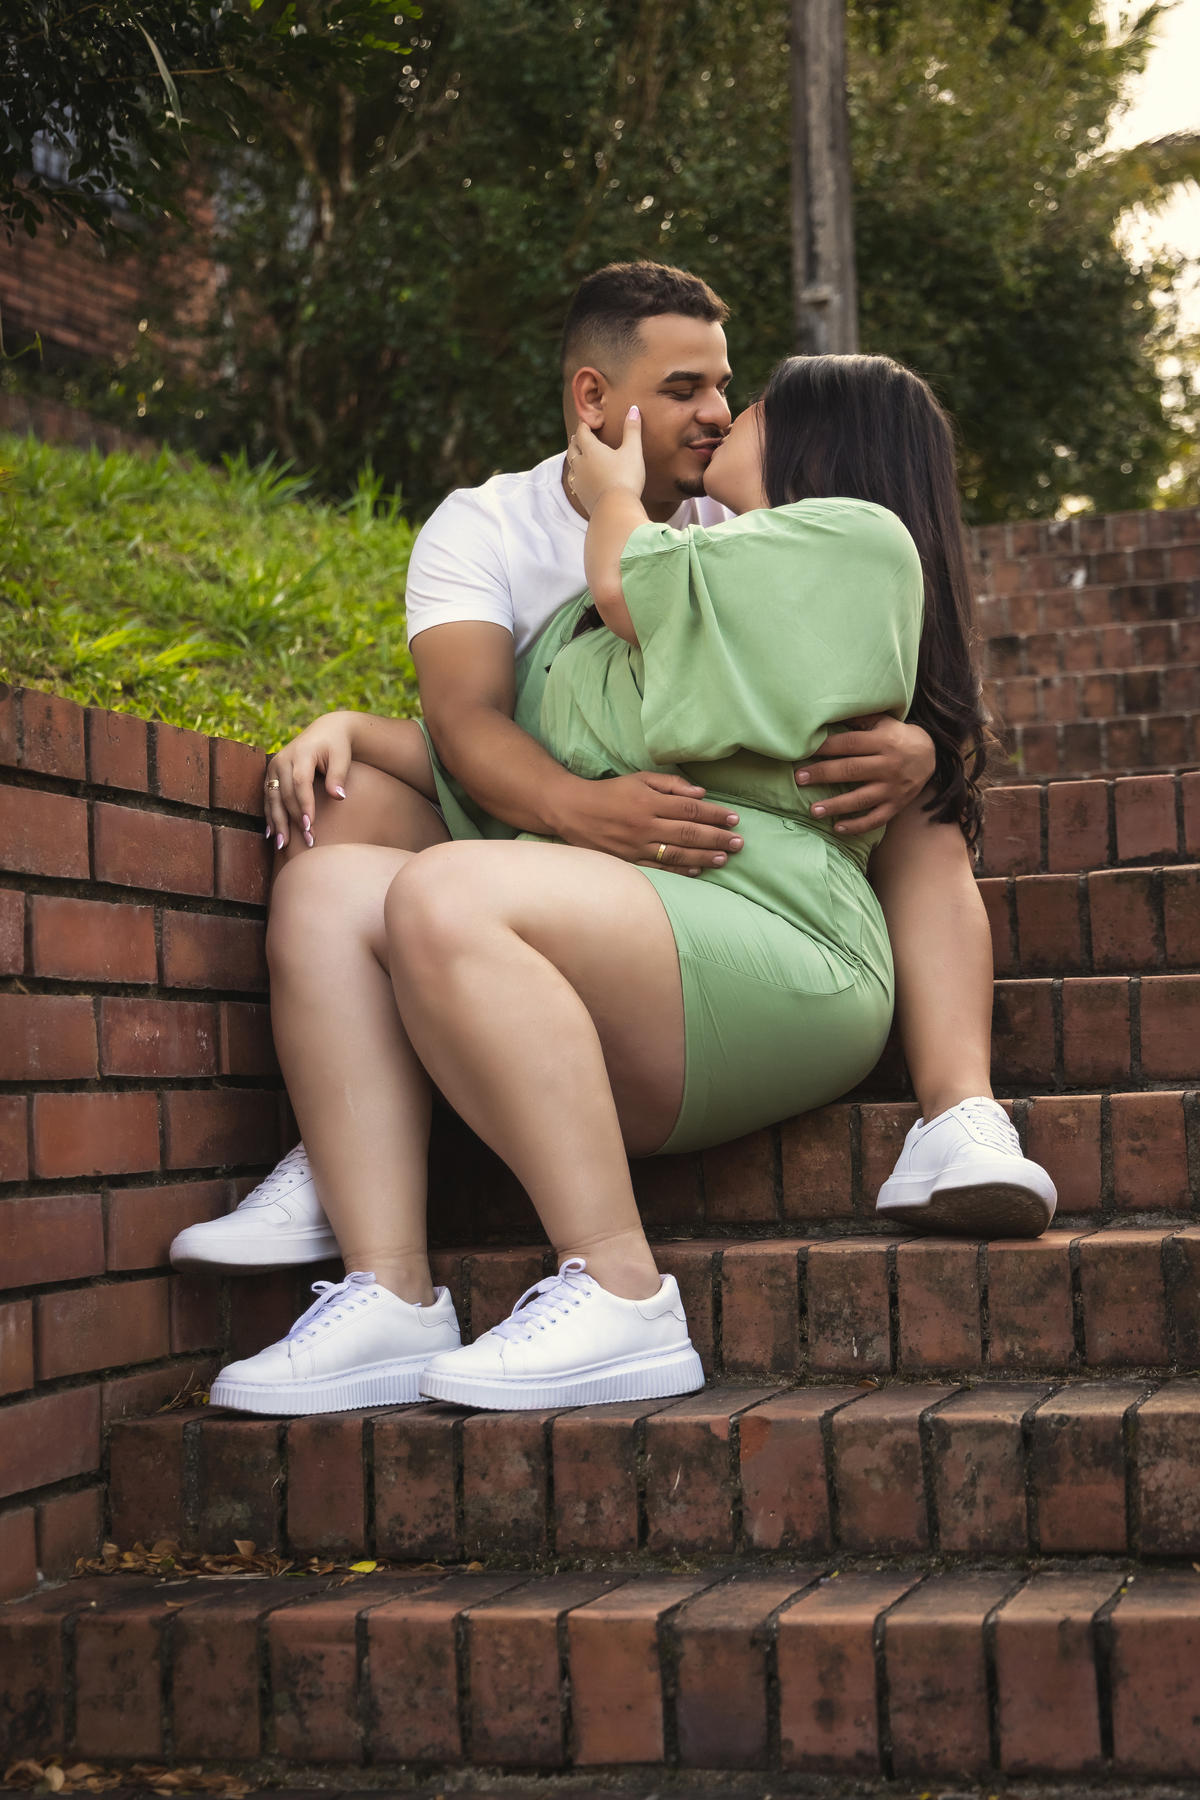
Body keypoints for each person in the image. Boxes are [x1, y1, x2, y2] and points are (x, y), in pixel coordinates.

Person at [171, 264, 1054, 1289]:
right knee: (340, 815)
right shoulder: (489, 525)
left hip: (740, 893)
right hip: (570, 854)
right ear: (595, 399)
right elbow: (473, 728)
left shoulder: (758, 517)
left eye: (732, 390)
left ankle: (959, 1109)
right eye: (688, 390)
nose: (720, 416)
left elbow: (840, 625)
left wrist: (926, 748)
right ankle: (350, 1152)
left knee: (906, 787)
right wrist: (370, 734)